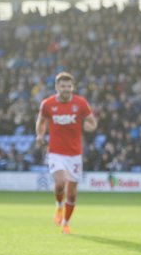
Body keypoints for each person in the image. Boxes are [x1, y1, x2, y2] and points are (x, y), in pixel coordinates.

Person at [36, 72, 97, 234]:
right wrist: (40, 135)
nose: (66, 89)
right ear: (57, 87)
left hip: (75, 154)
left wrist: (90, 126)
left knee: (71, 192)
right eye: (63, 86)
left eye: (69, 86)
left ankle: (65, 222)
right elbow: (41, 121)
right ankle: (58, 206)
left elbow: (92, 121)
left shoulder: (80, 103)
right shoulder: (47, 104)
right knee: (61, 181)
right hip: (56, 152)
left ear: (73, 87)